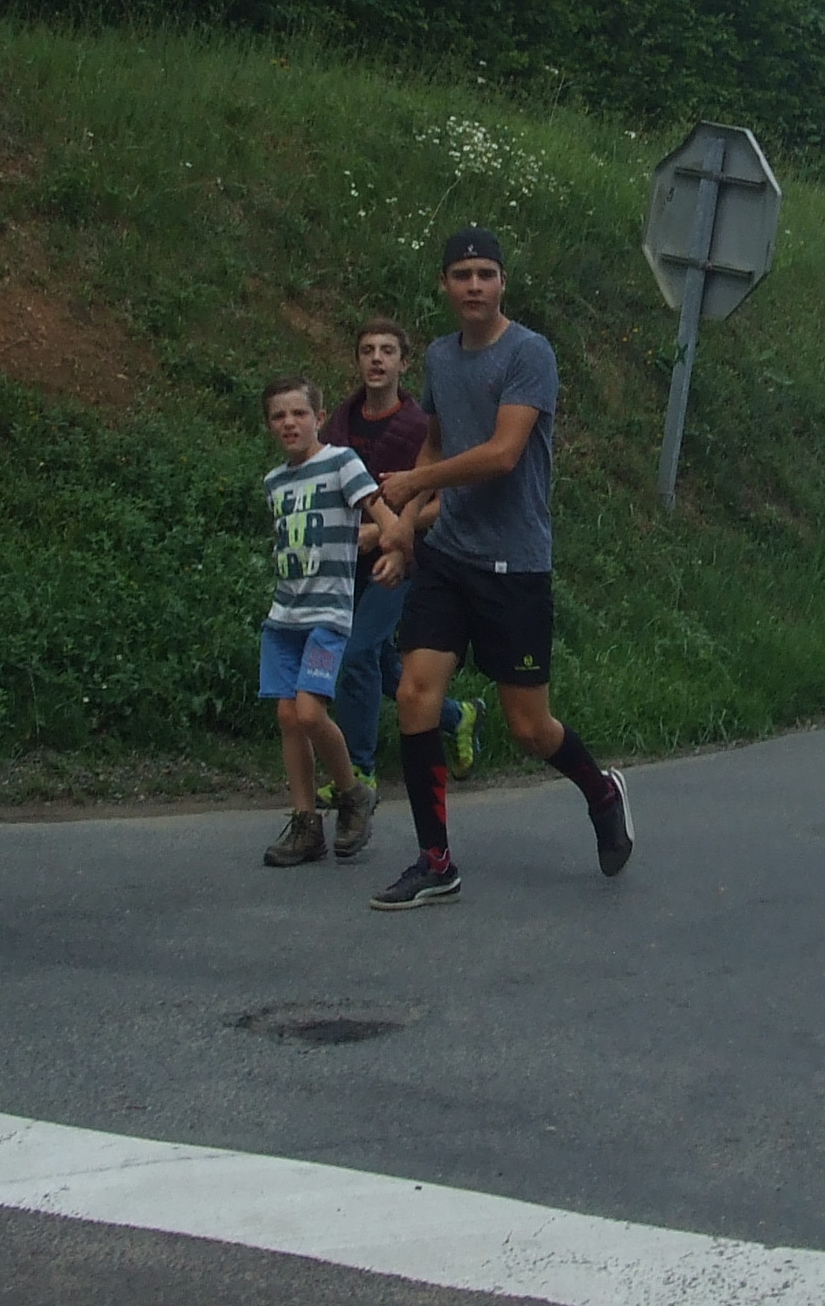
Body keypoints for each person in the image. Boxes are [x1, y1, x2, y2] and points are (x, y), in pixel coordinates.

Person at [370, 227, 634, 909]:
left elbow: (501, 453)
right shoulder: (438, 356)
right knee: (415, 696)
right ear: (445, 285)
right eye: (462, 275)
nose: (475, 286)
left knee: (528, 727)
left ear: (503, 284)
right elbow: (435, 444)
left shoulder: (529, 353)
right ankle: (435, 862)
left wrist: (411, 486)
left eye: (486, 274)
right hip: (449, 557)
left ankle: (602, 792)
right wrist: (405, 527)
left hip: (515, 565)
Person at [322, 320, 483, 798]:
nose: (376, 359)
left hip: (404, 560)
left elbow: (443, 504)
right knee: (381, 662)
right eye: (367, 350)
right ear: (357, 360)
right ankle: (457, 716)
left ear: (403, 363)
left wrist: (386, 532)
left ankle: (359, 772)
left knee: (356, 655)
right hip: (347, 557)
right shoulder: (341, 422)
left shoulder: (419, 429)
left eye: (387, 351)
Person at [253, 376, 382, 866]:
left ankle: (353, 794)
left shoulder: (341, 462)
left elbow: (380, 512)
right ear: (269, 425)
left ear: (319, 417)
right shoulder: (274, 482)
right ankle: (306, 824)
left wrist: (396, 545)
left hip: (328, 614)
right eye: (279, 416)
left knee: (310, 713)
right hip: (284, 615)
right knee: (288, 718)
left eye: (299, 413)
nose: (289, 423)